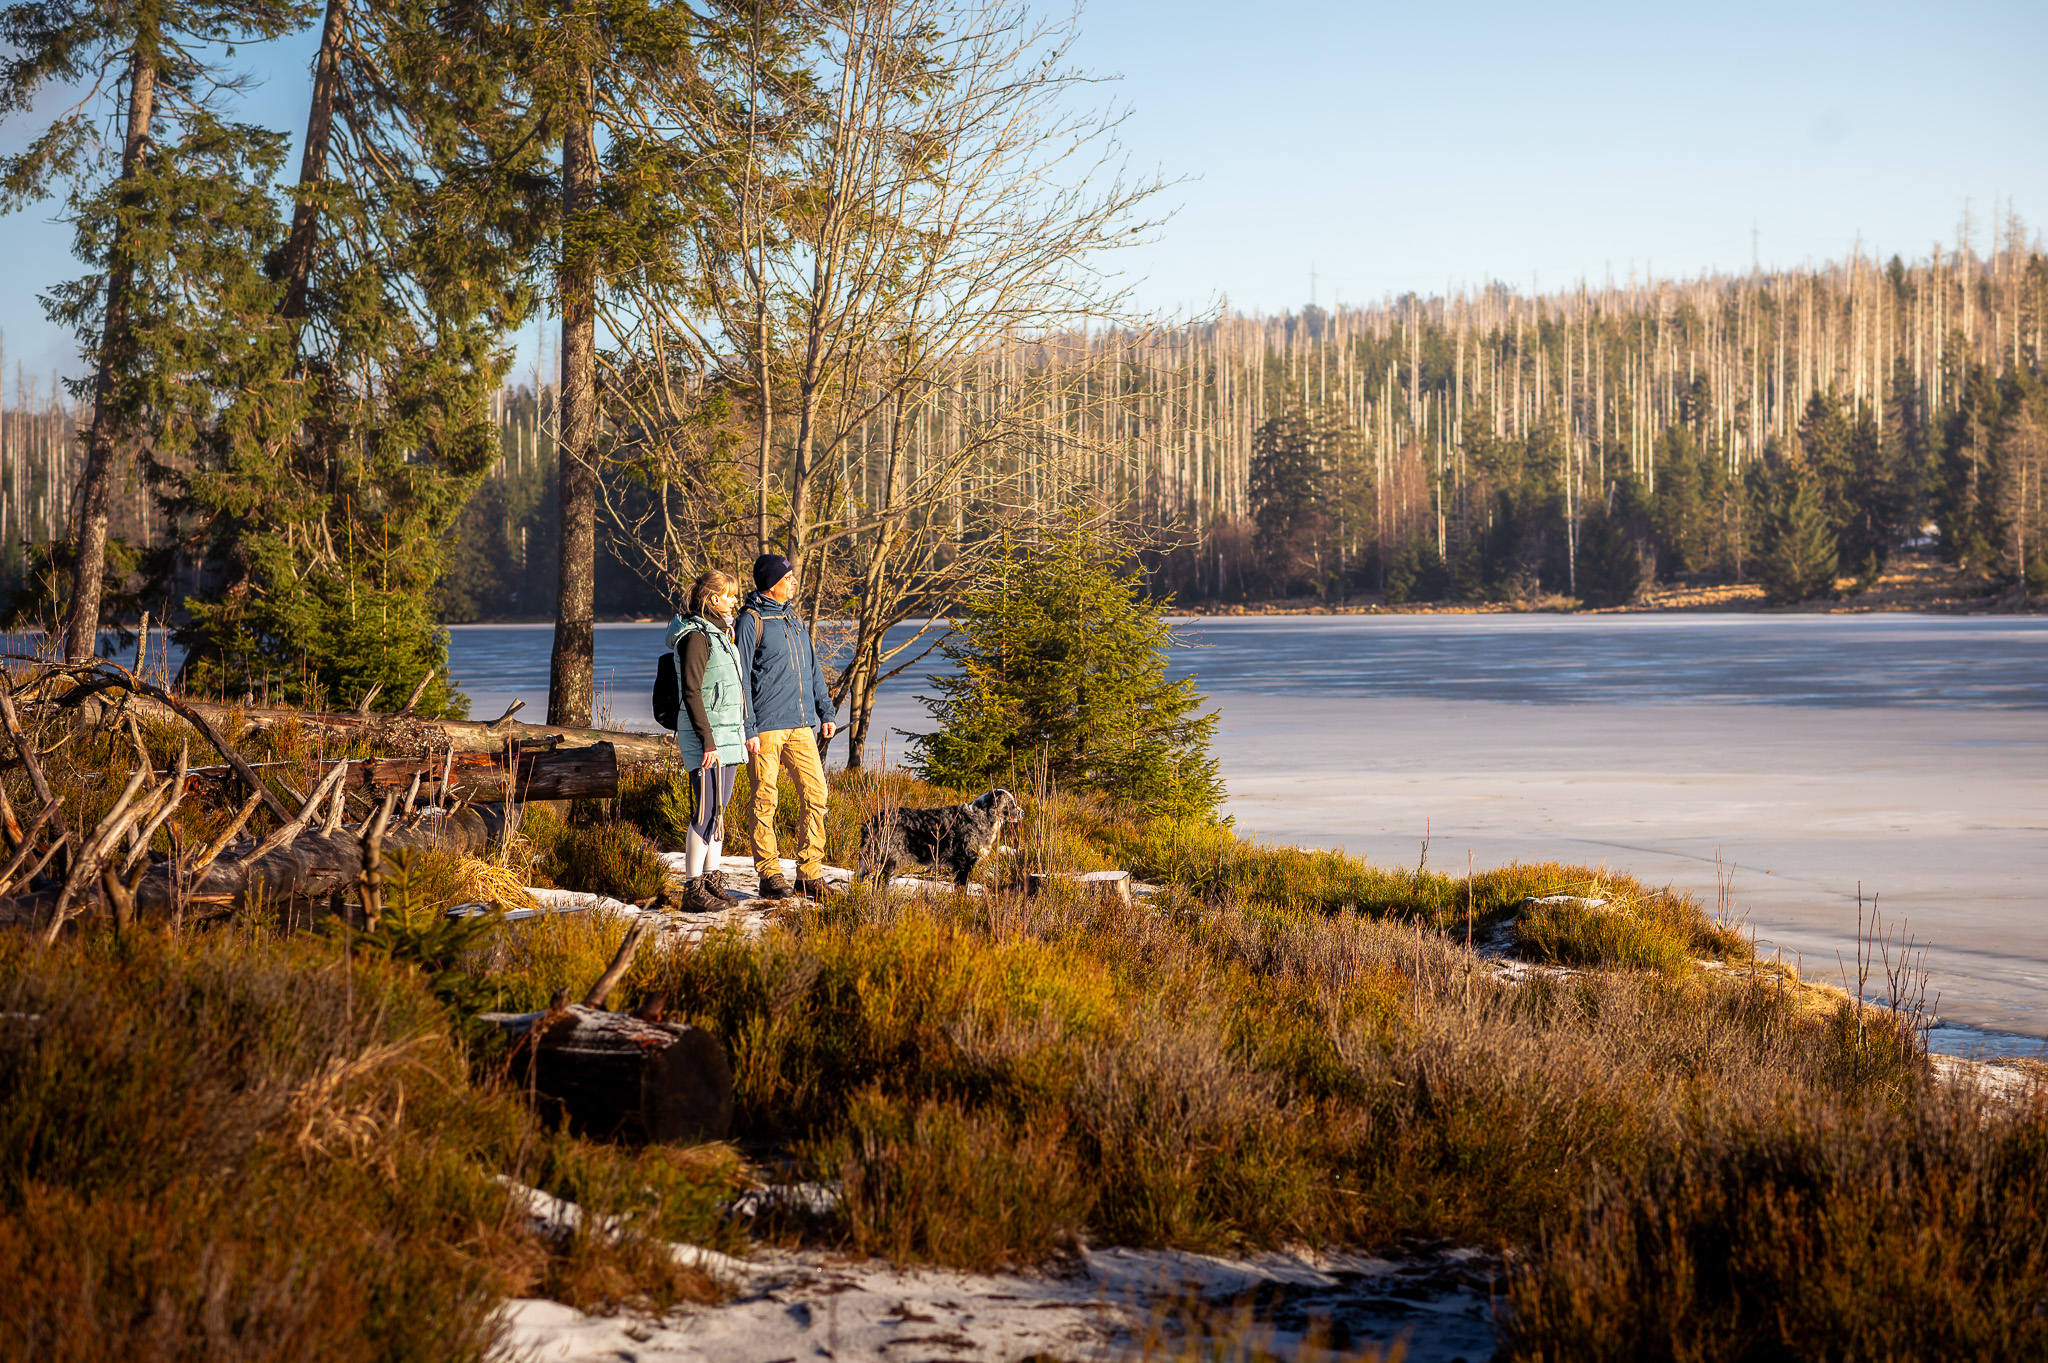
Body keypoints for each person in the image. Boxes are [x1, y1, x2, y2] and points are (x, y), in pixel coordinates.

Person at [735, 553, 837, 899]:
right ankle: (769, 874)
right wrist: (748, 727)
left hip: (801, 725)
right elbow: (741, 678)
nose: (794, 581)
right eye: (788, 577)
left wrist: (826, 711)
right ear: (771, 583)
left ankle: (809, 873)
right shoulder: (750, 621)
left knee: (817, 794)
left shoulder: (793, 620)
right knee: (765, 799)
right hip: (764, 727)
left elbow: (812, 670)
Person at [666, 569, 748, 911]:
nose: (734, 600)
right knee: (703, 814)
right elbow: (691, 692)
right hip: (708, 740)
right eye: (729, 595)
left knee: (719, 812)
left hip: (728, 737)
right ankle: (692, 888)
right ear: (713, 599)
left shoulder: (719, 635)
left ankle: (712, 879)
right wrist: (707, 741)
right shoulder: (696, 637)